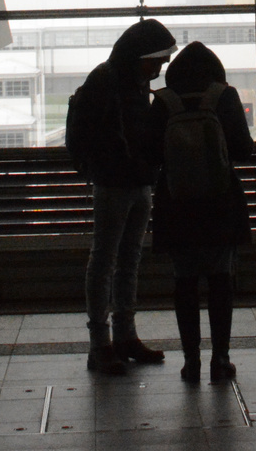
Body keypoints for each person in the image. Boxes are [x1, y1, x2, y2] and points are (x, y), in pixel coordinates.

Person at [72, 18, 176, 374]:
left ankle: (118, 338)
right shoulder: (110, 82)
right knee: (109, 260)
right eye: (156, 61)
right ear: (140, 56)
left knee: (121, 259)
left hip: (130, 181)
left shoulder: (122, 80)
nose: (159, 68)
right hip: (117, 183)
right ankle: (105, 341)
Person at [149, 41, 254, 383]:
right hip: (218, 204)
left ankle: (191, 360)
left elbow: (150, 154)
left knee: (185, 282)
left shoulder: (164, 100)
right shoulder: (224, 96)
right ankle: (220, 359)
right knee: (221, 280)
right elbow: (243, 150)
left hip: (176, 206)